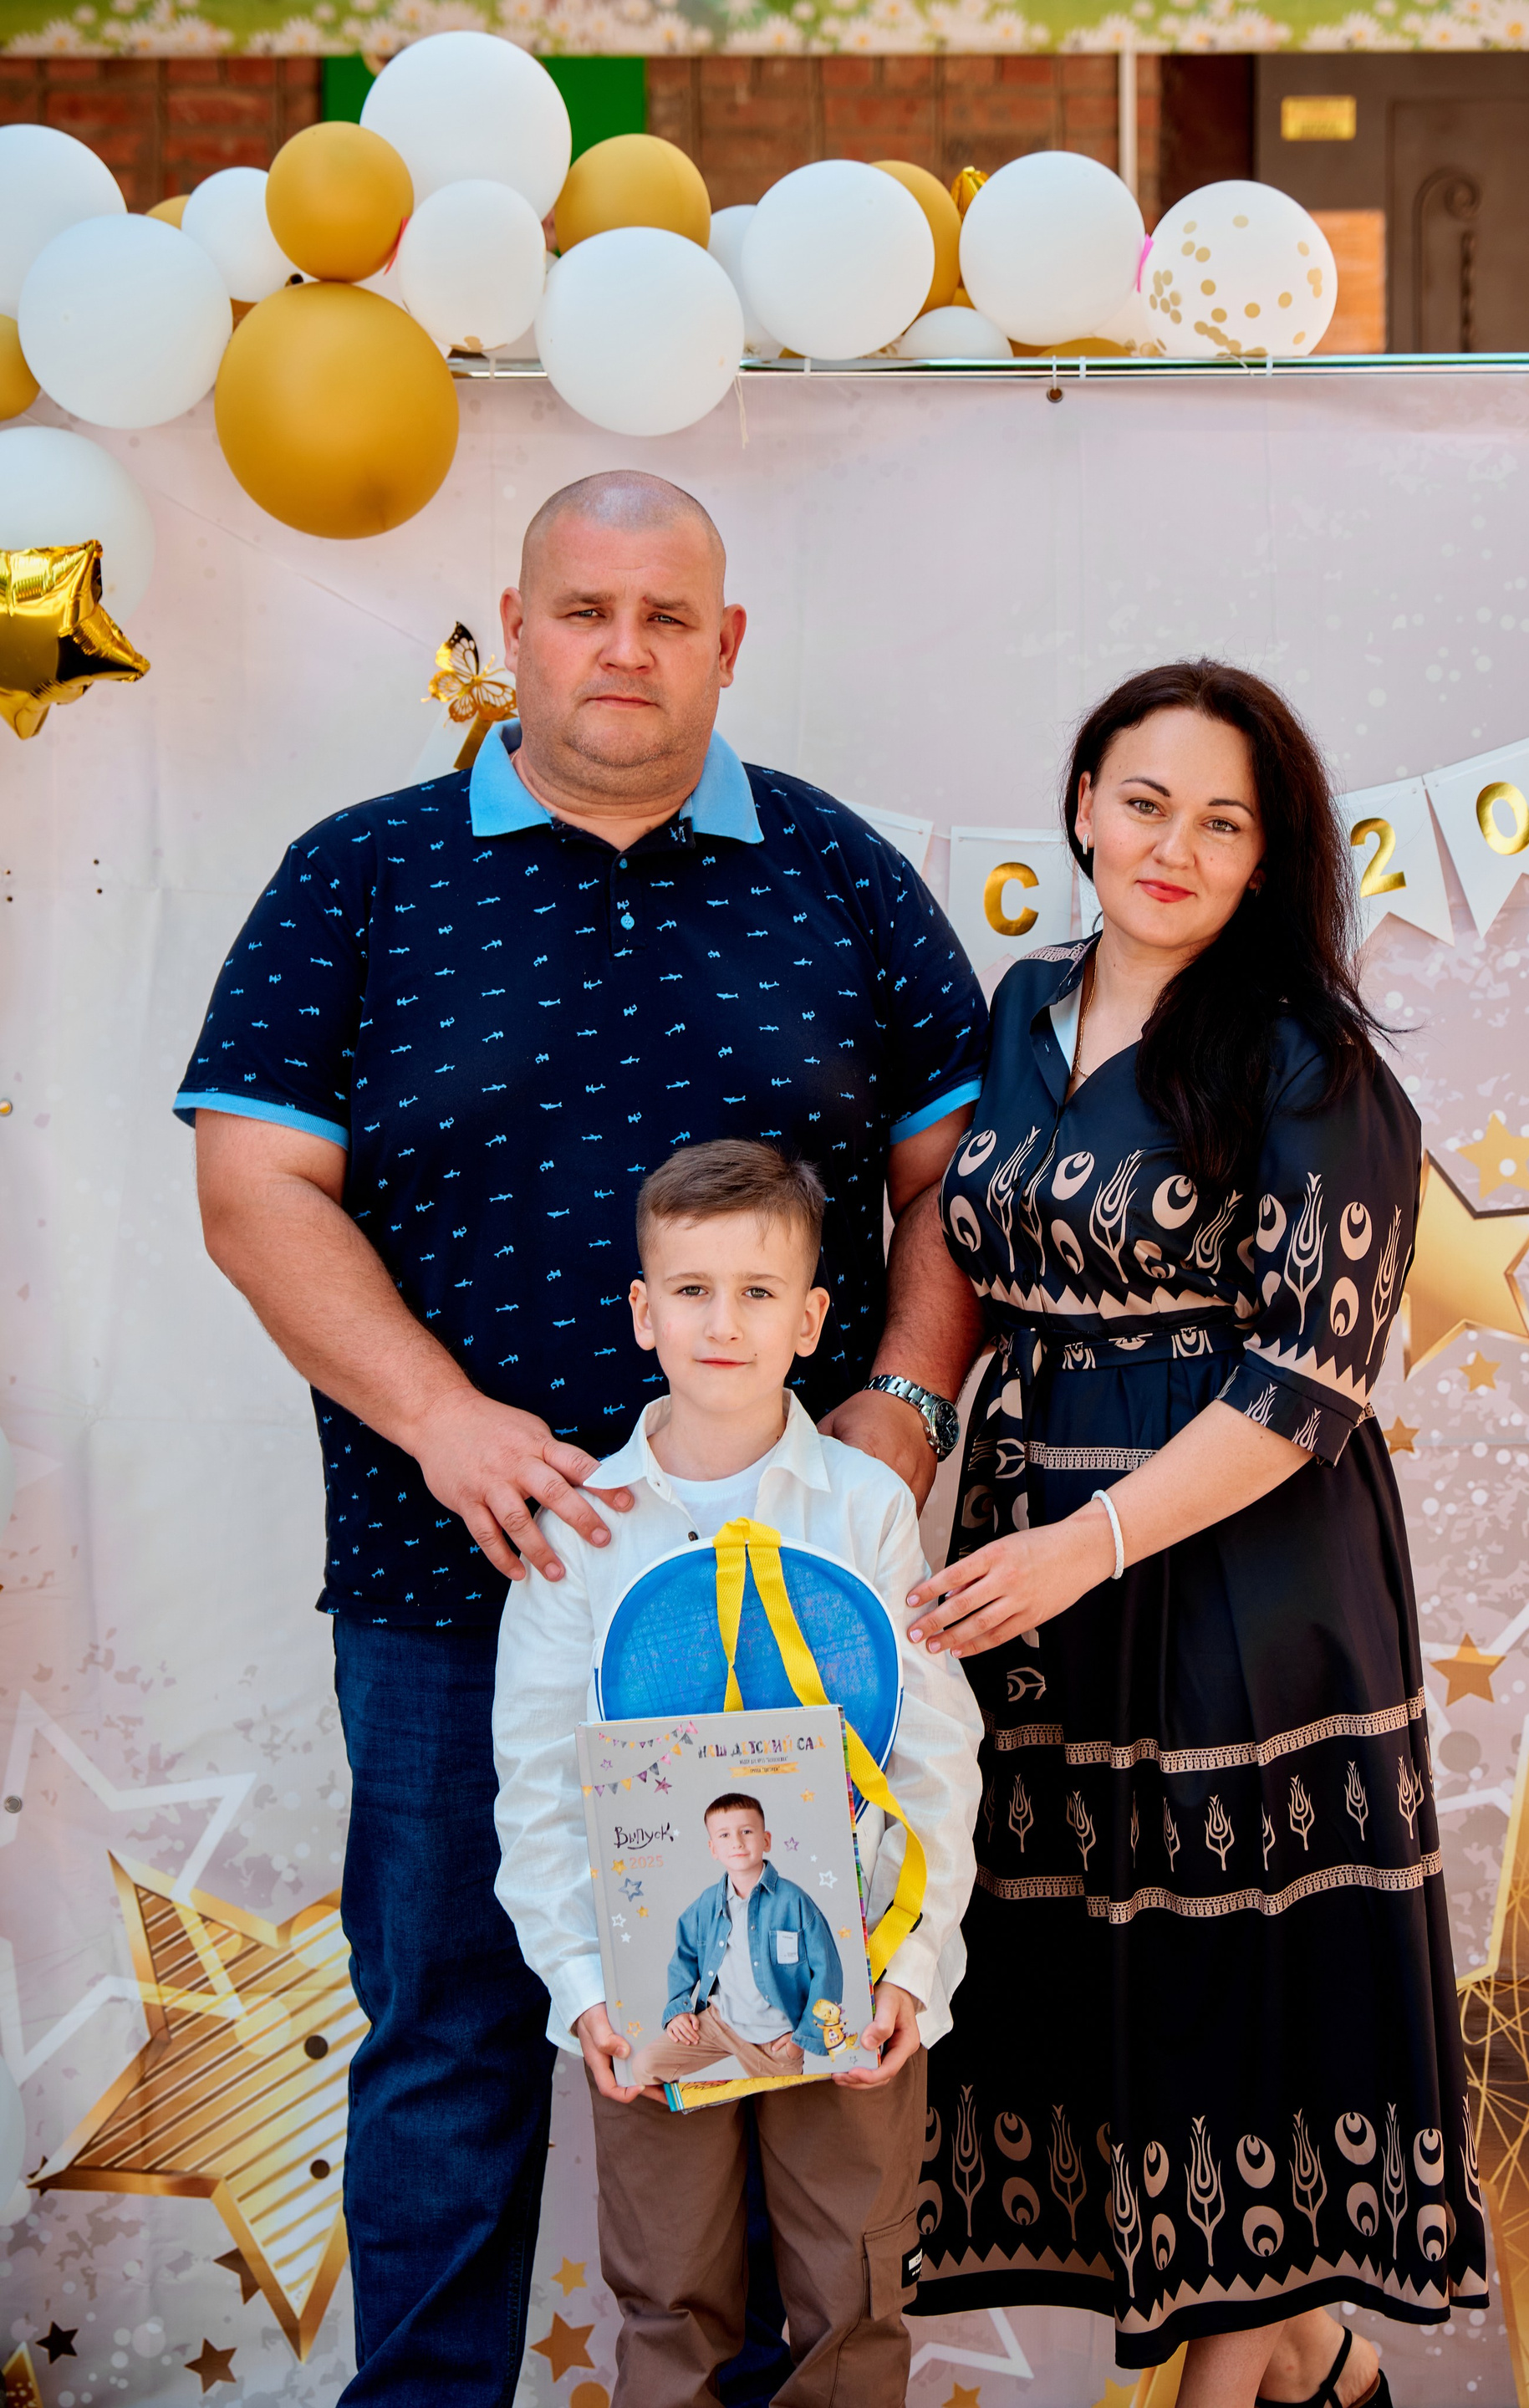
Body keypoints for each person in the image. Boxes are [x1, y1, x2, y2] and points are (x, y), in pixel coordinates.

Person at [174, 472, 986, 2408]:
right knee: (451, 2040)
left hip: (792, 1604)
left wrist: (900, 1410)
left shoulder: (840, 873)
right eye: (585, 610)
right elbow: (254, 1187)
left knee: (786, 2047)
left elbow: (960, 1182)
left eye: (666, 614)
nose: (624, 648)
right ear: (517, 628)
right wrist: (443, 1420)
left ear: (727, 643)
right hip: (456, 1583)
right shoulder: (360, 876)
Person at [902, 662, 1488, 2408]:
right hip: (1034, 1571)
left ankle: (1242, 2382)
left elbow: (1310, 1380)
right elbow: (959, 1246)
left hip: (1241, 1571)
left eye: (1223, 822)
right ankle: (1315, 2363)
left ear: (1265, 856)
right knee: (1106, 1983)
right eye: (1147, 802)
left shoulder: (1310, 1061)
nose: (1175, 846)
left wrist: (1085, 1545)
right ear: (1084, 803)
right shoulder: (1020, 1009)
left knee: (1237, 1985)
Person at [492, 1139, 983, 2407]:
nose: (724, 1322)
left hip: (852, 1973)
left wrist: (912, 1971)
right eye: (693, 1290)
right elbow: (537, 1788)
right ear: (642, 1312)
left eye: (759, 1292)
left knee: (854, 2300)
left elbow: (933, 1754)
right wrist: (587, 1992)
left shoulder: (866, 1509)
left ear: (812, 1320)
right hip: (654, 1996)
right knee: (669, 2301)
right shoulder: (581, 1533)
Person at [629, 1793, 845, 2089]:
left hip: (774, 2038)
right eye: (724, 1835)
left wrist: (803, 2038)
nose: (737, 1843)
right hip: (720, 2022)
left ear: (766, 1840)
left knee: (784, 2110)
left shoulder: (794, 1902)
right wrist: (678, 2009)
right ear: (713, 1848)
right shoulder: (706, 1905)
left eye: (746, 1831)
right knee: (645, 2067)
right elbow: (684, 1958)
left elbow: (828, 1972)